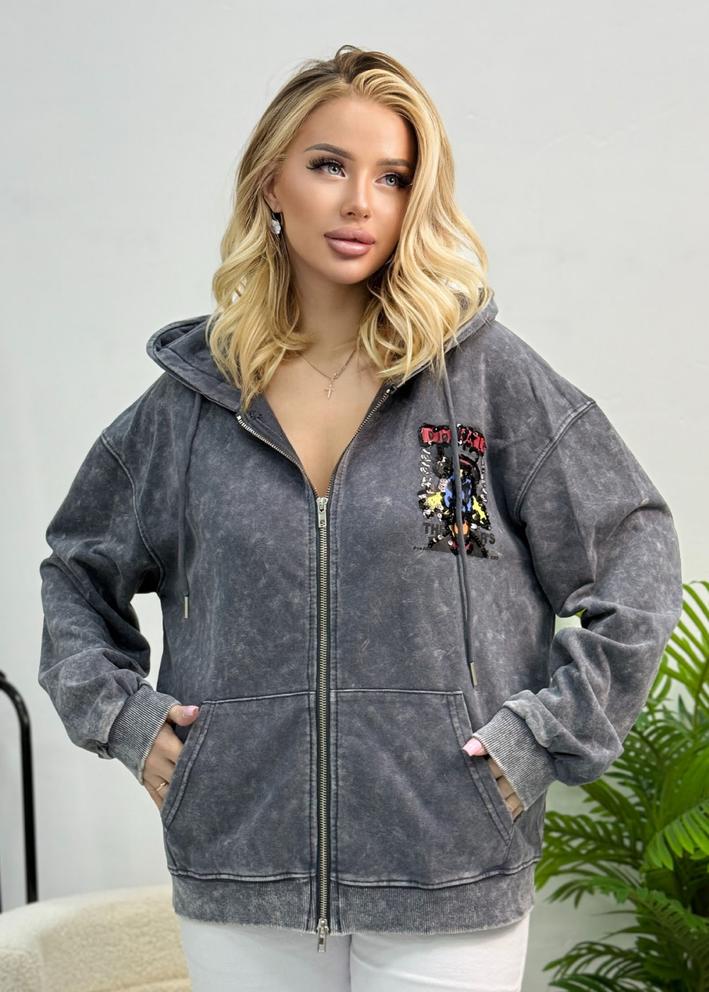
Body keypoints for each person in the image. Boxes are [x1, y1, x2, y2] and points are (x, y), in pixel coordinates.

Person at [38, 44, 683, 992]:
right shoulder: (193, 406)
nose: (359, 203)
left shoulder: (478, 382)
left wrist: (544, 735)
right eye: (329, 165)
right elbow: (75, 573)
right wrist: (126, 720)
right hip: (244, 871)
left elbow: (636, 552)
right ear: (271, 183)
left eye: (392, 177)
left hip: (447, 862)